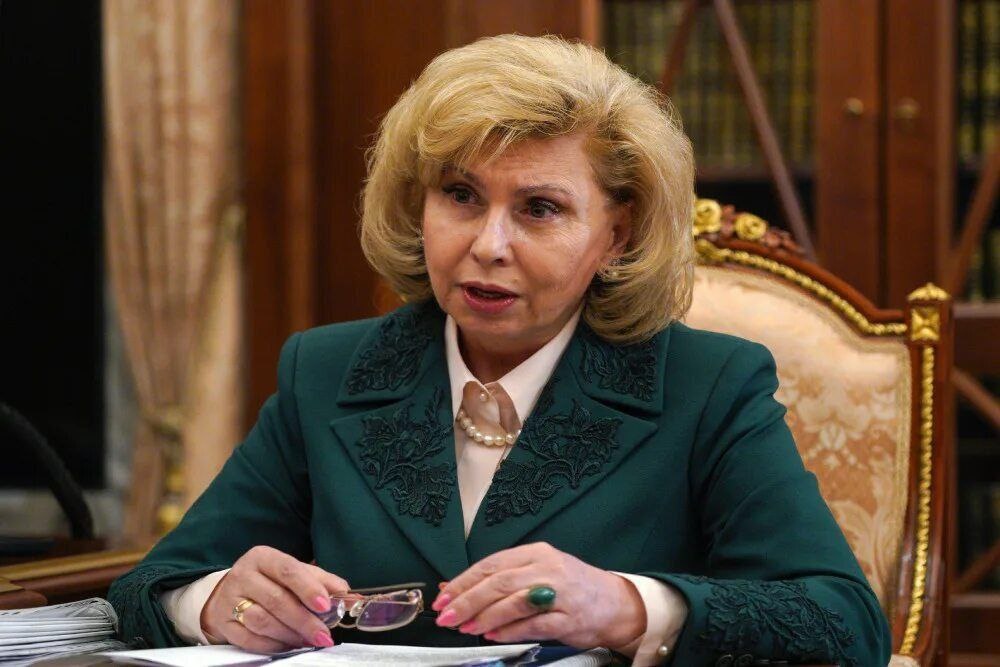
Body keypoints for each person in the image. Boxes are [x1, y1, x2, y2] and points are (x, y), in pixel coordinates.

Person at [108, 34, 892, 666]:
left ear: (616, 236)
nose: (488, 244)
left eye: (539, 208)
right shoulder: (327, 371)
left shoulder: (707, 383)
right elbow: (152, 583)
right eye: (460, 195)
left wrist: (625, 605)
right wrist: (213, 600)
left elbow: (843, 620)